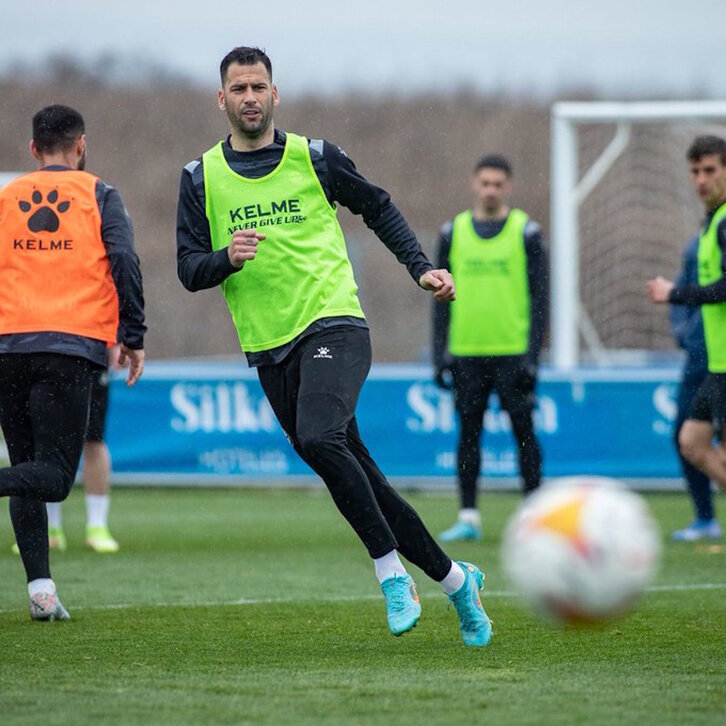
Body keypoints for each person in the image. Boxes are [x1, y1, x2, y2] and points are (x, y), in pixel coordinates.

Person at [176, 46, 492, 646]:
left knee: (320, 437)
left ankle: (391, 574)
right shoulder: (199, 177)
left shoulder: (315, 157)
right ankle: (456, 582)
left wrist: (420, 268)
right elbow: (189, 268)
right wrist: (224, 258)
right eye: (238, 88)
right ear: (222, 99)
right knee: (359, 475)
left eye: (258, 86)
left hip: (335, 323)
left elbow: (377, 206)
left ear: (276, 94)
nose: (249, 97)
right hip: (269, 346)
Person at [0, 105, 145, 621]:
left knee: (26, 470)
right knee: (56, 478)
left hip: (9, 346)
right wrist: (133, 333)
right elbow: (125, 259)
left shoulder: (7, 197)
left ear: (34, 150)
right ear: (80, 146)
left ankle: (41, 591)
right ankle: (41, 587)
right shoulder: (99, 194)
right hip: (68, 345)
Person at [433, 155, 548, 542]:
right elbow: (437, 296)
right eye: (485, 183)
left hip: (513, 353)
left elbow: (541, 298)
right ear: (474, 184)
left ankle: (534, 514)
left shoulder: (526, 232)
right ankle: (468, 516)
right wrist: (439, 354)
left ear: (508, 187)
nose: (491, 190)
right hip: (466, 352)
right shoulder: (453, 231)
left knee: (525, 433)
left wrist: (533, 355)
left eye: (498, 184)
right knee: (467, 436)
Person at [648, 134, 726, 495]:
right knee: (693, 440)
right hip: (718, 364)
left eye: (709, 170)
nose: (701, 180)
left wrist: (674, 294)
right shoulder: (712, 223)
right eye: (695, 171)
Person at [45, 344, 123, 553]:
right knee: (47, 439)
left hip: (91, 347)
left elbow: (117, 309)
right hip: (44, 345)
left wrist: (120, 341)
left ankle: (97, 526)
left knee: (93, 438)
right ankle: (49, 528)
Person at [668, 236, 721, 540]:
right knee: (686, 437)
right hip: (701, 358)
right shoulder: (699, 241)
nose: (702, 183)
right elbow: (684, 289)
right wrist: (685, 332)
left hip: (722, 360)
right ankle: (705, 517)